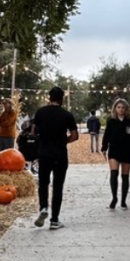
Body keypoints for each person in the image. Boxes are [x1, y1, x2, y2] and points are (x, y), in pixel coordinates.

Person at [31, 87, 78, 230]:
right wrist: (64, 141)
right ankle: (54, 220)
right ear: (62, 99)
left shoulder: (40, 112)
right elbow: (75, 136)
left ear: (49, 98)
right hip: (60, 155)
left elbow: (33, 132)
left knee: (43, 183)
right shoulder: (67, 115)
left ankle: (43, 207)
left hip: (44, 154)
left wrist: (42, 140)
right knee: (58, 186)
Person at [101, 98, 130, 209]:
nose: (121, 109)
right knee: (114, 173)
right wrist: (104, 148)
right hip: (114, 150)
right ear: (115, 108)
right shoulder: (111, 121)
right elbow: (106, 135)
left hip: (127, 150)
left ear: (126, 109)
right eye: (118, 107)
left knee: (125, 176)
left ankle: (123, 200)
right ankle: (114, 198)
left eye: (123, 107)